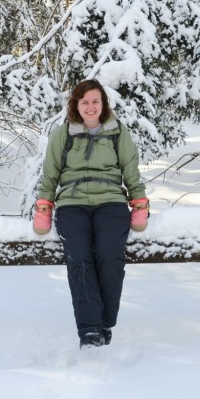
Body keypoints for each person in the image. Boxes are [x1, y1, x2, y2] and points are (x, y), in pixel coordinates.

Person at [32, 79, 149, 348]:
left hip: (110, 201)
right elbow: (50, 173)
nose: (90, 107)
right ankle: (90, 330)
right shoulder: (63, 134)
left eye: (95, 101)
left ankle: (104, 320)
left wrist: (139, 201)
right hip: (72, 203)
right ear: (76, 105)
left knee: (110, 256)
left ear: (103, 104)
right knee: (79, 260)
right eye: (84, 102)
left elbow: (130, 169)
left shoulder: (117, 131)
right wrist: (44, 205)